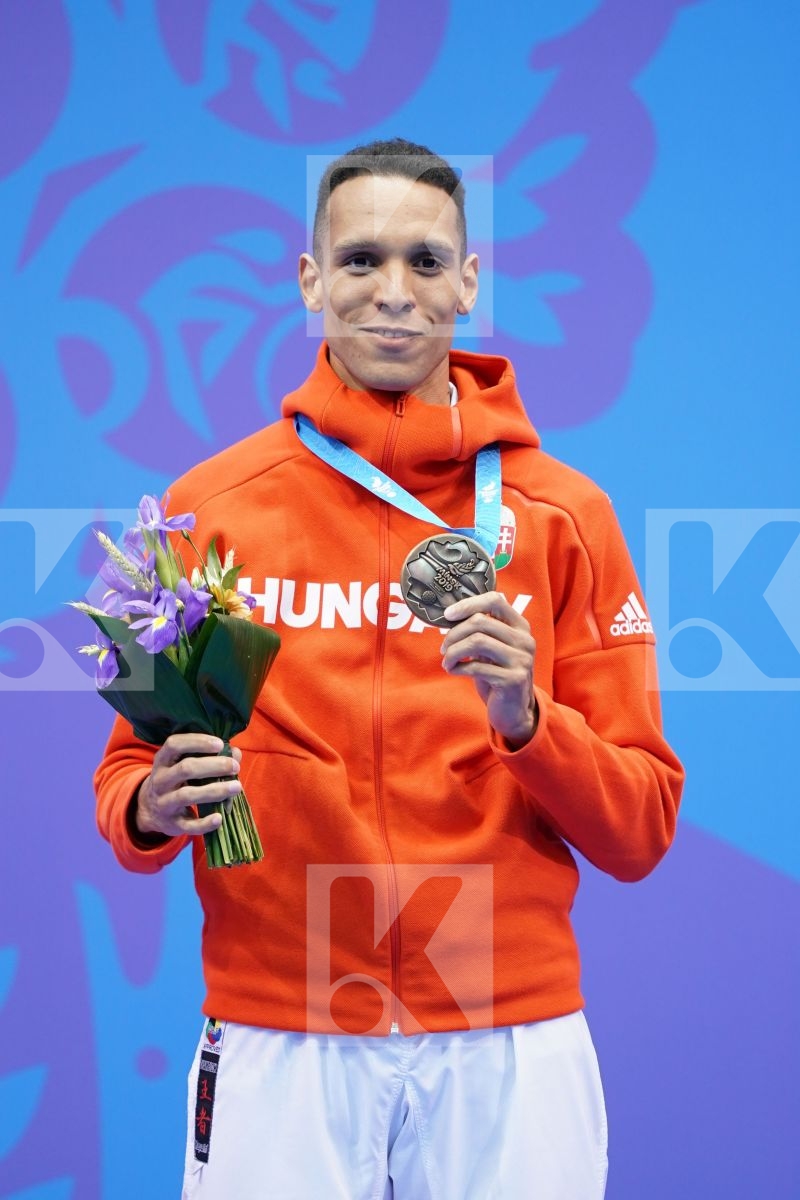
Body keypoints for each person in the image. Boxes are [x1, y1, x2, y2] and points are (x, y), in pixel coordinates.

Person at [94, 137, 684, 1199]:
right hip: (282, 1025)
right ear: (311, 280)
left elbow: (639, 827)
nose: (393, 292)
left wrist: (525, 718)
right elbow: (127, 776)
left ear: (469, 281)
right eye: (360, 260)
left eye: (425, 261)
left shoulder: (562, 516)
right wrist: (150, 805)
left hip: (506, 1030)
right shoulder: (210, 507)